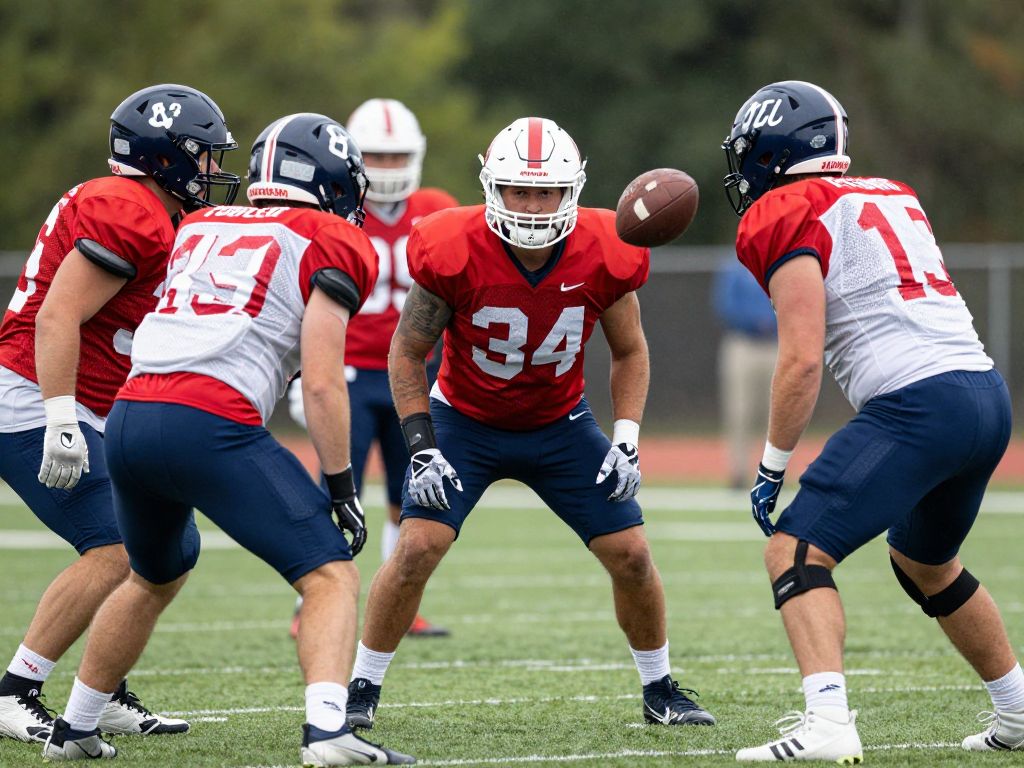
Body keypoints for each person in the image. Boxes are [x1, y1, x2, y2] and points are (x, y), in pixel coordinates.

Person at [41, 113, 416, 765]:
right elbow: (325, 383)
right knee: (330, 574)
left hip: (129, 417)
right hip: (210, 420)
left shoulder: (198, 224)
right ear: (329, 180)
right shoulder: (334, 238)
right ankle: (328, 732)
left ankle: (74, 728)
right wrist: (341, 486)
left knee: (151, 578)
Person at [345, 116, 716, 731]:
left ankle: (660, 690)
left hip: (559, 422)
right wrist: (420, 447)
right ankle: (361, 689)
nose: (534, 204)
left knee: (632, 555)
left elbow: (631, 351)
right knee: (415, 548)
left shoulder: (608, 245)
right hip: (465, 420)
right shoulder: (452, 244)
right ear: (493, 188)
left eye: (546, 191)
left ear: (572, 191)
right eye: (520, 190)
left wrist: (626, 439)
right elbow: (407, 352)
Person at [721, 80, 1021, 762]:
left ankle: (828, 723)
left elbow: (800, 359)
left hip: (920, 403)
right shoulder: (891, 192)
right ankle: (1019, 710)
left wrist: (771, 466)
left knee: (793, 551)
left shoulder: (781, 212)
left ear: (770, 151)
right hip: (983, 393)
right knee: (926, 561)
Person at [0, 83, 241, 745]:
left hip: (93, 399)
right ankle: (15, 689)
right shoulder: (128, 210)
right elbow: (56, 317)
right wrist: (58, 417)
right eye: (206, 157)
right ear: (168, 157)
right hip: (32, 393)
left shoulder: (150, 211)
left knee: (172, 551)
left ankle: (99, 690)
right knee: (118, 548)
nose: (215, 172)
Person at [288, 98, 458, 639]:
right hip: (351, 374)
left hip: (413, 374)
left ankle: (401, 604)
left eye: (397, 156)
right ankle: (308, 604)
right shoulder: (336, 210)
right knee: (338, 488)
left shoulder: (437, 207)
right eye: (376, 157)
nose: (387, 168)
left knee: (412, 494)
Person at [711, 258, 777, 489]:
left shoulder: (778, 263)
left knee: (779, 412)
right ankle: (738, 473)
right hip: (743, 344)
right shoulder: (734, 268)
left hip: (777, 345)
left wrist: (773, 323)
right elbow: (725, 305)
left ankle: (774, 472)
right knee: (739, 411)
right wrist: (754, 322)